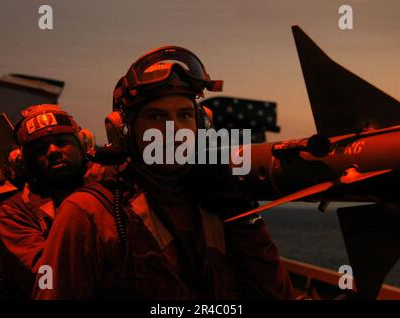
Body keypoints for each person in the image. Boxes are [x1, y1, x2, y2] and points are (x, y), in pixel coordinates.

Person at [33, 46, 293, 299]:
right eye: (156, 116)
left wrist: (246, 221)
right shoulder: (89, 214)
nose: (174, 129)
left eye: (184, 115)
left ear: (201, 126)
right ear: (124, 131)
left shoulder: (218, 203)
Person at [0, 104, 111, 299]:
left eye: (61, 141)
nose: (53, 151)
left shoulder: (110, 185)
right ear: (23, 161)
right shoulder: (14, 214)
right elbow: (49, 280)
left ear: (83, 145)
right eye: (40, 148)